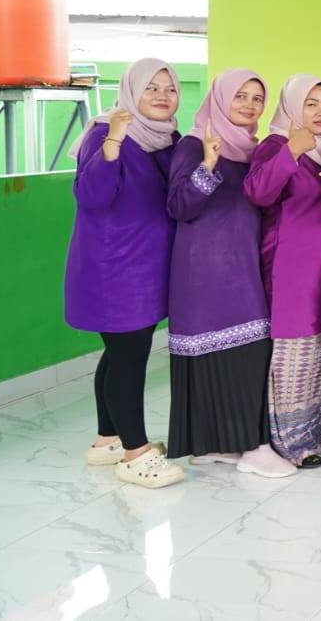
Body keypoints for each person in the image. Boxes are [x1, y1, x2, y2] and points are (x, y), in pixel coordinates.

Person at [165, 69, 295, 478]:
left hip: (241, 264)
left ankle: (217, 445)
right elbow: (180, 207)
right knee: (242, 353)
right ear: (220, 98)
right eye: (240, 96)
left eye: (257, 98)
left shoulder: (251, 150)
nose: (249, 105)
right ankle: (255, 448)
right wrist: (208, 163)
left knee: (246, 351)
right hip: (204, 269)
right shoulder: (194, 144)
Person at [63, 58, 185, 488]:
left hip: (146, 267)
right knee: (130, 358)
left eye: (169, 89)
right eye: (151, 87)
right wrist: (113, 141)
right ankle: (135, 453)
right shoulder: (105, 131)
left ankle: (108, 439)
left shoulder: (167, 137)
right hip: (114, 268)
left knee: (120, 354)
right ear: (131, 90)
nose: (161, 96)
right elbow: (91, 195)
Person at [244, 74, 321, 470]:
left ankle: (315, 432)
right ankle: (290, 443)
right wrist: (292, 151)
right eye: (310, 103)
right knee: (292, 354)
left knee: (317, 350)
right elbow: (258, 192)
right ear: (292, 107)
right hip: (290, 267)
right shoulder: (275, 145)